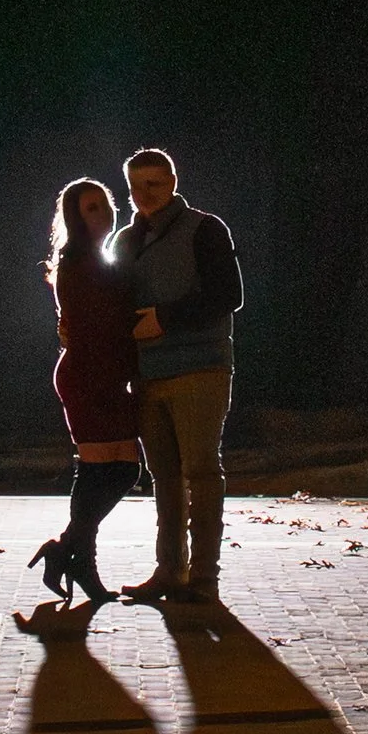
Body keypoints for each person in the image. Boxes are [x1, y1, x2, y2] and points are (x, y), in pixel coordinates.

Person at [109, 146, 244, 615]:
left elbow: (229, 294)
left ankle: (203, 576)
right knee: (164, 475)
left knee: (201, 472)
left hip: (199, 367)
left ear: (173, 181)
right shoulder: (126, 240)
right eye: (136, 186)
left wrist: (163, 319)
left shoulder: (205, 229)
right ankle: (170, 569)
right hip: (148, 373)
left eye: (155, 184)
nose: (144, 195)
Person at [25, 175, 141, 610]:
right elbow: (98, 328)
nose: (103, 213)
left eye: (105, 204)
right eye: (91, 208)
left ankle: (66, 551)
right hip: (89, 376)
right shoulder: (78, 261)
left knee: (121, 470)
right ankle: (81, 562)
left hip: (107, 375)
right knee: (101, 471)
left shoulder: (100, 258)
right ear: (75, 218)